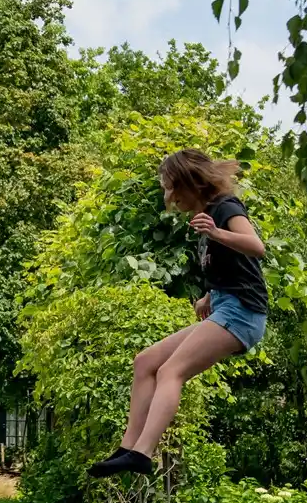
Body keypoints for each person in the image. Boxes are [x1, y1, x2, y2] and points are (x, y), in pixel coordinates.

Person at [88, 148, 268, 478]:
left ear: (190, 182)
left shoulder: (226, 208)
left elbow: (256, 247)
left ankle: (143, 453)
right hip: (228, 304)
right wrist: (209, 295)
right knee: (145, 362)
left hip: (244, 312)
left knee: (171, 371)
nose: (168, 195)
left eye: (171, 186)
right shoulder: (208, 215)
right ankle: (128, 448)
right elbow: (234, 270)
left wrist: (216, 232)